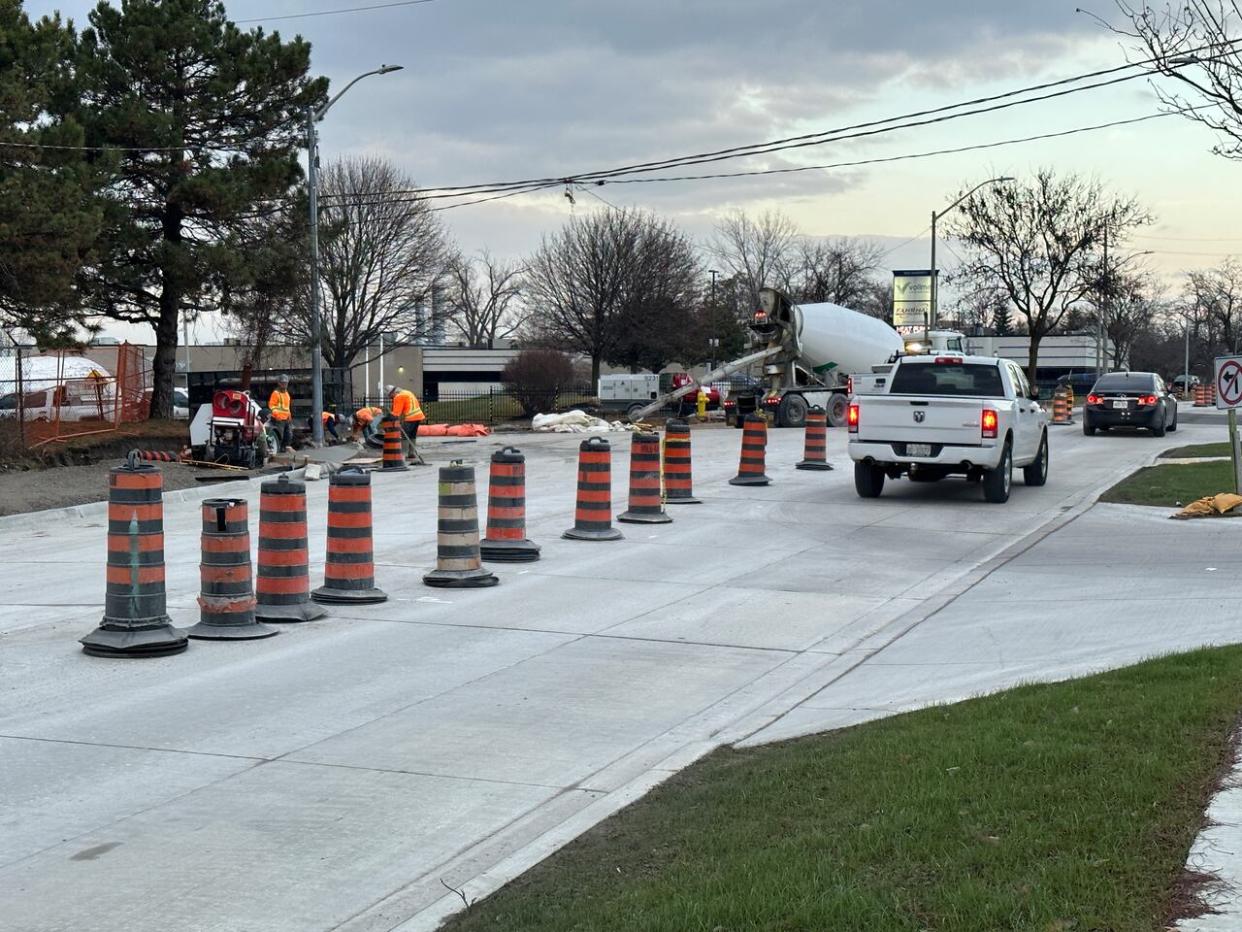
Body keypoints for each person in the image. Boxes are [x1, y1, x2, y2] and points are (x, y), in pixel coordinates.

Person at [387, 383, 426, 461]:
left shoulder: (398, 397)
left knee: (404, 436)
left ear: (392, 392)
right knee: (412, 435)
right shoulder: (407, 392)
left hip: (411, 417)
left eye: (390, 396)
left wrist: (389, 419)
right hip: (418, 416)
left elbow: (396, 413)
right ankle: (411, 453)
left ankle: (402, 454)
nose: (391, 398)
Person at [268, 374, 293, 451]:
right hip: (278, 419)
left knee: (288, 435)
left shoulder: (286, 394)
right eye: (283, 383)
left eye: (286, 383)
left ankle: (284, 449)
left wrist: (289, 416)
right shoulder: (275, 393)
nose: (285, 385)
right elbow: (272, 406)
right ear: (279, 383)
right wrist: (276, 415)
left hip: (286, 419)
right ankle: (278, 450)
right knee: (280, 436)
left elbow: (287, 407)